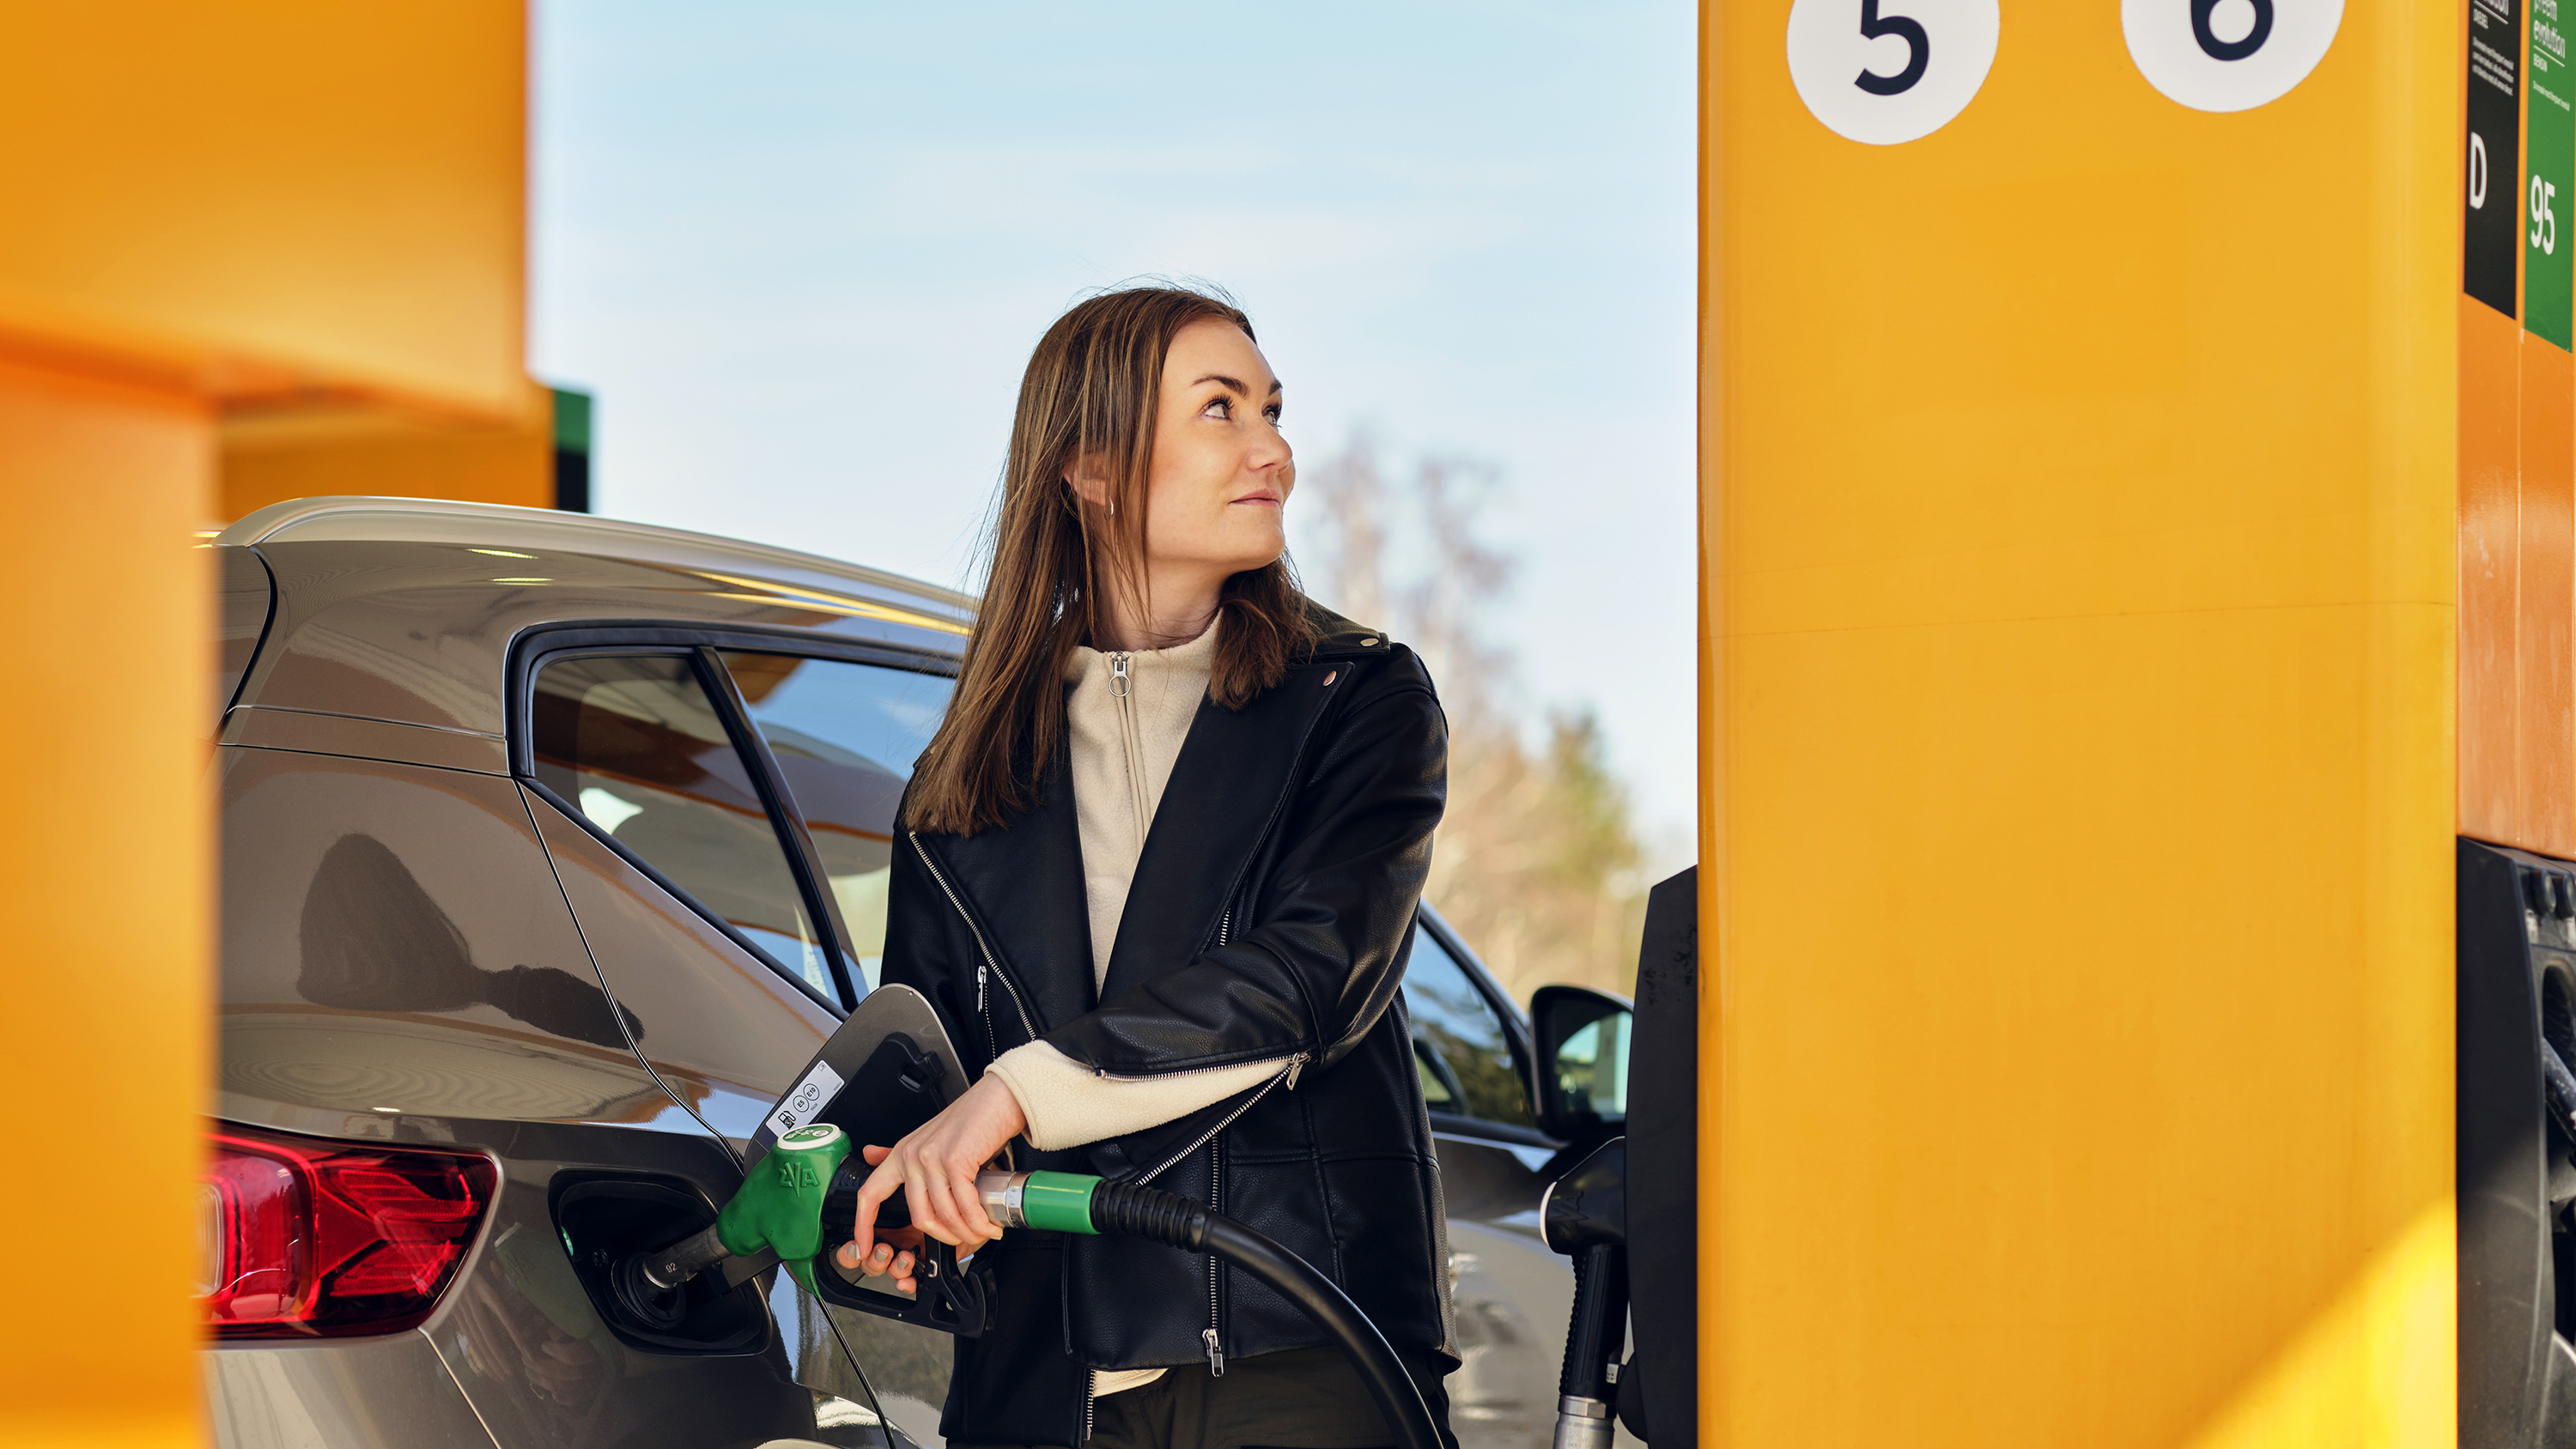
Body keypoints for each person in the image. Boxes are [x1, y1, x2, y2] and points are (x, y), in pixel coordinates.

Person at [830, 283, 1456, 1449]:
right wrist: (903, 1199)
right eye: (1221, 410)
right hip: (1039, 1381)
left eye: (1272, 410)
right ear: (1095, 470)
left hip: (1291, 1339)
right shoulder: (962, 787)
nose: (1274, 449)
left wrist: (1016, 1094)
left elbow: (1312, 974)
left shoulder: (1355, 702)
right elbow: (931, 1074)